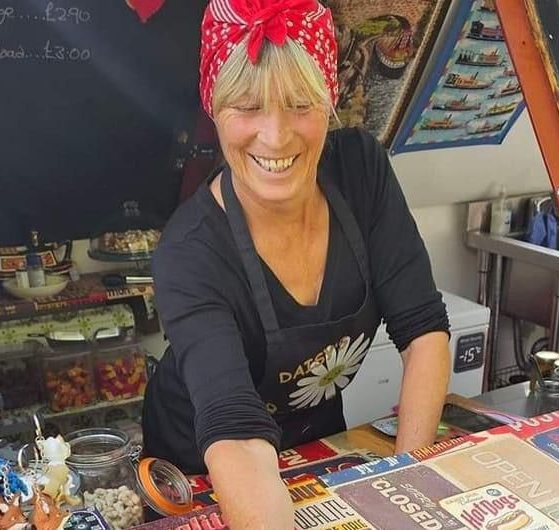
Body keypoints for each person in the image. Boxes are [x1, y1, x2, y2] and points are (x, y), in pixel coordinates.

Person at [142, 0, 451, 527]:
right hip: (205, 472)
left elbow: (423, 330)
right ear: (213, 109)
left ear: (329, 98)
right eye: (246, 106)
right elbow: (235, 433)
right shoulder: (189, 251)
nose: (276, 135)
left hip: (319, 446)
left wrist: (405, 483)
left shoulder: (360, 172)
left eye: (299, 104)